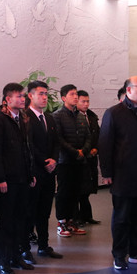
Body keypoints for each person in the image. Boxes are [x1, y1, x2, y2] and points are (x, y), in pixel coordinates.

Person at [98, 76, 137, 270]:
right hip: (123, 175)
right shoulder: (114, 113)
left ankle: (136, 252)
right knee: (122, 217)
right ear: (129, 90)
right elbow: (105, 144)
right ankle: (119, 254)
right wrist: (106, 172)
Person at [0, 83, 36, 274]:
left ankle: (16, 256)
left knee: (20, 220)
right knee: (5, 222)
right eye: (18, 96)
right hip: (6, 180)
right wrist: (0, 178)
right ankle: (2, 261)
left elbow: (26, 149)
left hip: (22, 178)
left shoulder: (23, 119)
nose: (23, 99)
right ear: (7, 99)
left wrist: (30, 174)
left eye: (23, 96)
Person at [25, 80, 63, 260]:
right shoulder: (25, 117)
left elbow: (56, 142)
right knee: (29, 210)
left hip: (49, 171)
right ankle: (24, 248)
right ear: (30, 95)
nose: (44, 97)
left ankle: (43, 245)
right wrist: (44, 161)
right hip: (34, 171)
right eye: (40, 94)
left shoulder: (49, 117)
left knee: (45, 210)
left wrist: (54, 159)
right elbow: (29, 144)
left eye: (46, 94)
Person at [53, 84, 90, 237]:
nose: (75, 97)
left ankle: (71, 221)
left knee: (76, 192)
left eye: (76, 94)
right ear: (63, 98)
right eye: (72, 94)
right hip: (65, 161)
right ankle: (61, 222)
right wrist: (75, 152)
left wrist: (83, 151)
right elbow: (59, 139)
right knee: (64, 192)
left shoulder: (80, 116)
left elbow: (88, 137)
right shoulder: (57, 116)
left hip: (79, 161)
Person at [76, 90, 101, 225]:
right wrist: (85, 150)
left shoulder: (92, 116)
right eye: (83, 101)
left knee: (88, 188)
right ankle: (77, 217)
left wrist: (96, 148)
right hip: (80, 158)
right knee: (79, 189)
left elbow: (98, 135)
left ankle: (86, 215)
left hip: (91, 157)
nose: (86, 104)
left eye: (88, 101)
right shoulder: (74, 117)